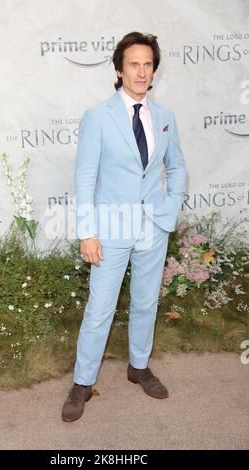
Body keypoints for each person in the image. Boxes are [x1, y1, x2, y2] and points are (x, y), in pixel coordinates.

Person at [62, 31, 188, 422]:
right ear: (119, 69)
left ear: (154, 71)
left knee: (146, 302)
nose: (141, 71)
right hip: (110, 229)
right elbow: (85, 178)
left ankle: (138, 366)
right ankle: (82, 383)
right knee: (99, 309)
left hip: (153, 226)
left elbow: (177, 166)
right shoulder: (98, 116)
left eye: (148, 64)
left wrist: (169, 207)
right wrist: (87, 232)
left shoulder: (164, 116)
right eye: (134, 64)